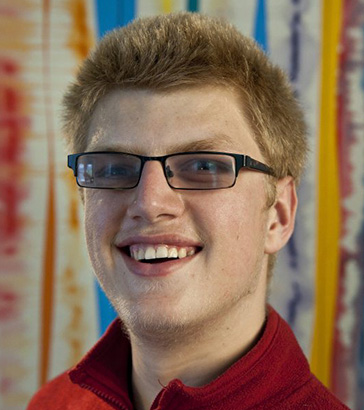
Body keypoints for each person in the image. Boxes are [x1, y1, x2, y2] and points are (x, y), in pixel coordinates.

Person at [27, 12, 348, 410]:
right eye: (114, 168)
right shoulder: (53, 402)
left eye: (204, 166)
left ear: (278, 215)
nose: (149, 203)